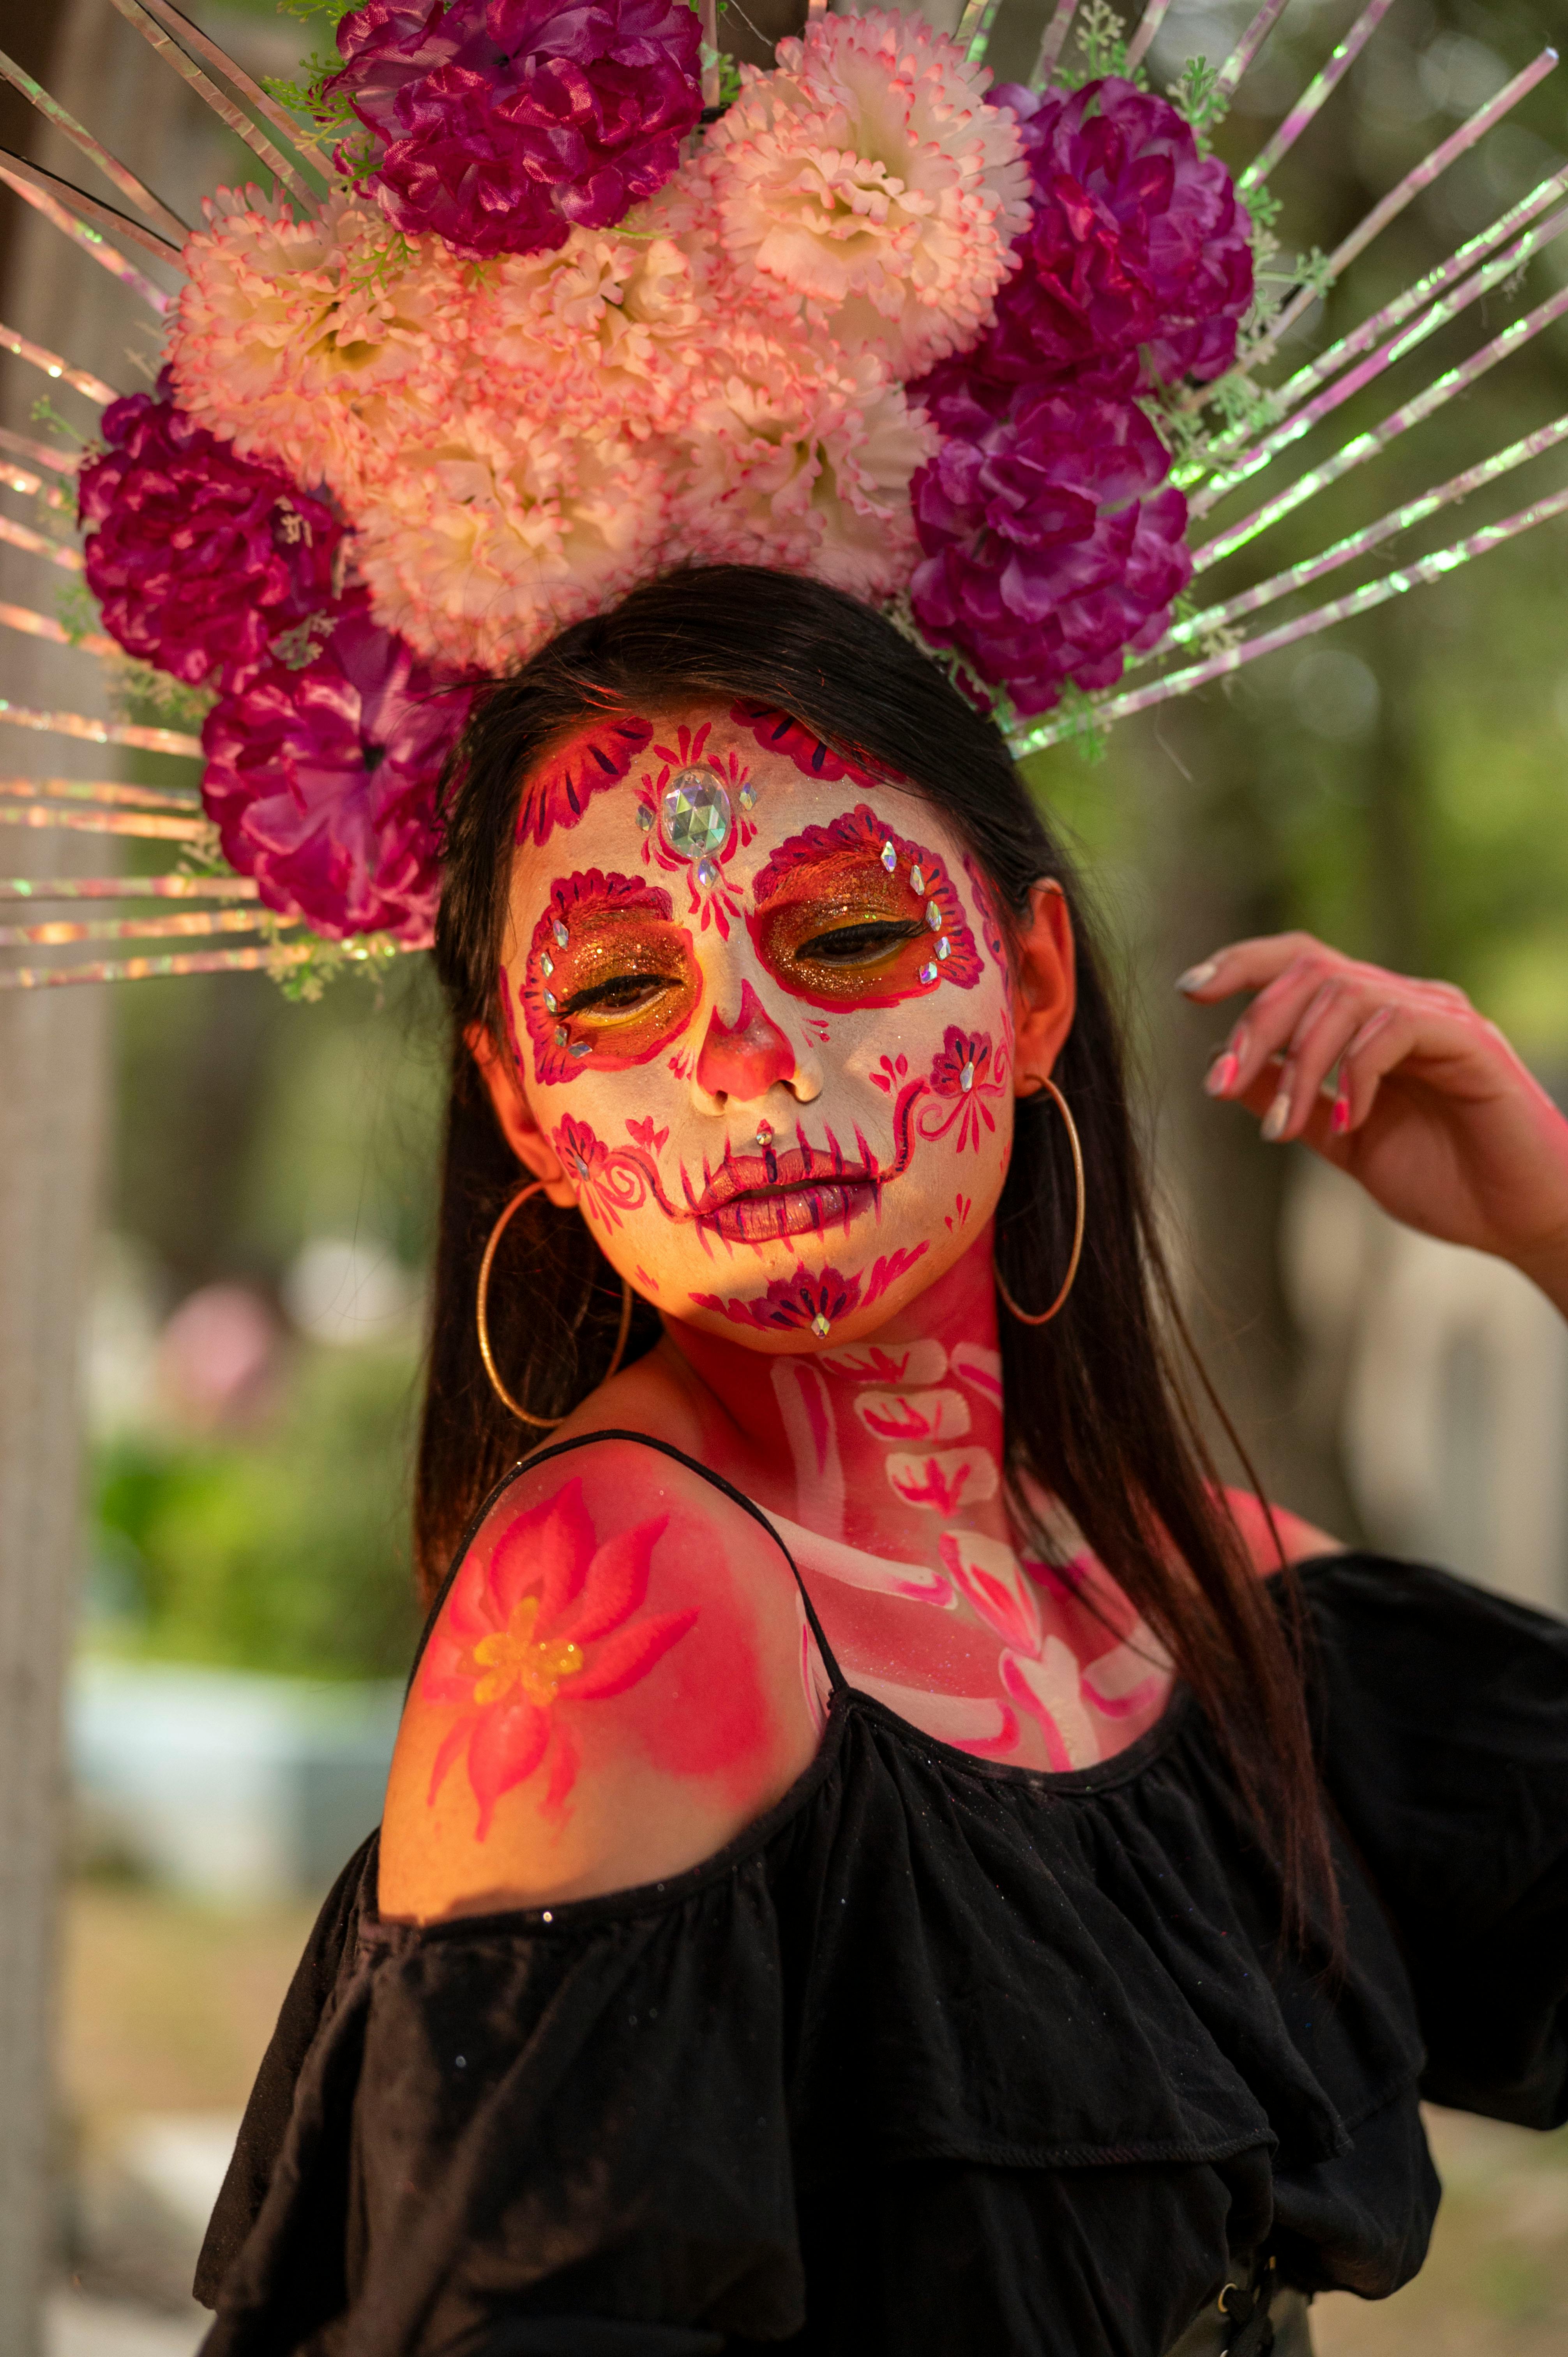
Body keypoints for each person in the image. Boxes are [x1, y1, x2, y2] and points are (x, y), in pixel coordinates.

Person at [192, 569, 1568, 2357]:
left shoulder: (1178, 1576)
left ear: (1035, 989)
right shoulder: (623, 1591)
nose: (749, 1067)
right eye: (619, 989)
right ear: (526, 1105)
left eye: (844, 941)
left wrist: (1550, 1217)